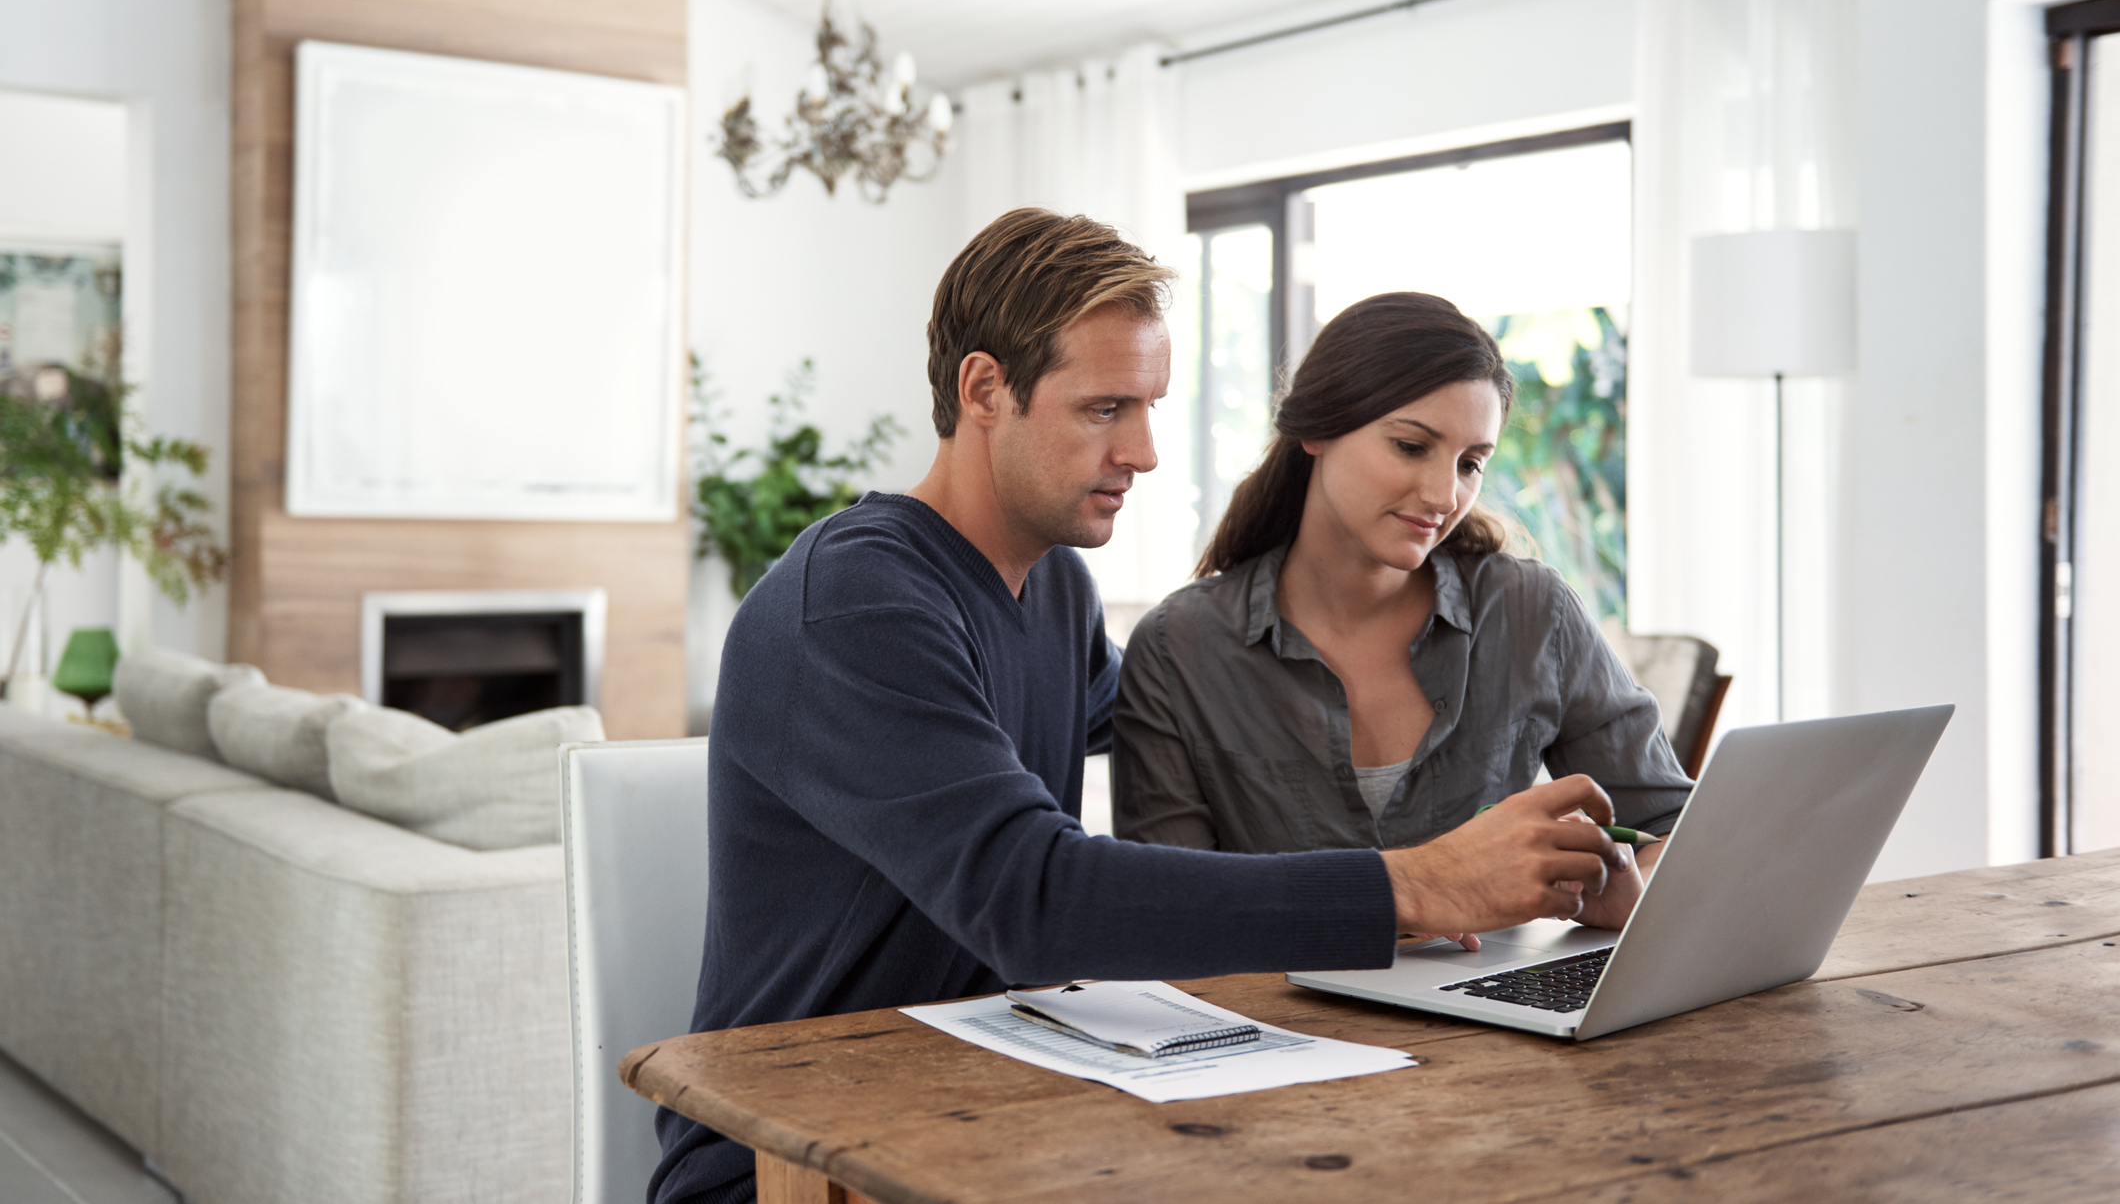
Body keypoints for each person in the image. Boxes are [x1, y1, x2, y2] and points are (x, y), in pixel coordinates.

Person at [652, 214, 1637, 1204]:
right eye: (1104, 406)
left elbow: (1209, 725)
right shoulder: (858, 602)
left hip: (989, 1111)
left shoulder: (1053, 594)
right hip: (792, 1154)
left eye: (1151, 405)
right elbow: (1038, 898)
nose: (1146, 449)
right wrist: (1412, 887)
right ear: (984, 389)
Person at [1110, 291, 1692, 915]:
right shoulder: (1180, 648)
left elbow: (1677, 833)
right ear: (1318, 428)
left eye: (1471, 463)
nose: (1444, 494)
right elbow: (1168, 911)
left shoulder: (1530, 612)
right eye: (1412, 447)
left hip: (1499, 1006)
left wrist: (1630, 890)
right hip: (1275, 1009)